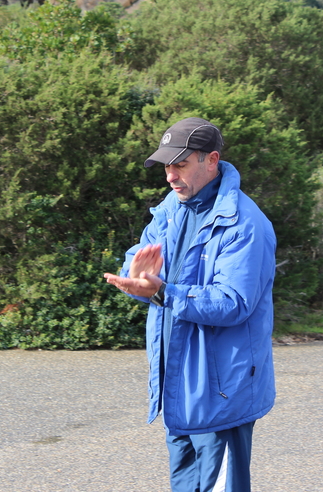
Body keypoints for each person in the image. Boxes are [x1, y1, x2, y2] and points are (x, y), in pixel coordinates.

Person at [104, 117, 277, 492]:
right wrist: (136, 279)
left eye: (180, 164)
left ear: (211, 160)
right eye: (167, 165)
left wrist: (164, 292)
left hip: (220, 398)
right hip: (177, 393)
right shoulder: (171, 207)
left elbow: (234, 302)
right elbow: (141, 258)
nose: (170, 175)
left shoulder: (246, 224)